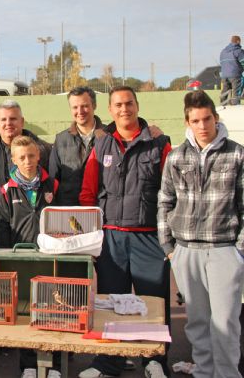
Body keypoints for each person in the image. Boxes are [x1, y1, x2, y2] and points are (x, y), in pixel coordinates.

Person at [78, 86, 171, 378]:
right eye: (117, 105)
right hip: (111, 238)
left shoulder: (159, 143)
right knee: (110, 302)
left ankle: (154, 361)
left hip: (149, 237)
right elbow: (88, 193)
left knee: (153, 302)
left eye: (129, 103)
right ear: (110, 110)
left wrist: (168, 239)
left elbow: (171, 193)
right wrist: (93, 238)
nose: (124, 109)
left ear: (137, 105)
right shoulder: (101, 144)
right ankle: (108, 363)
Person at [158, 90, 244, 378]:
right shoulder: (176, 157)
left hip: (224, 249)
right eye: (196, 120)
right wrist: (169, 247)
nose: (203, 125)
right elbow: (165, 201)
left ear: (216, 118)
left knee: (226, 322)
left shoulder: (237, 154)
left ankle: (227, 374)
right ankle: (204, 373)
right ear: (188, 122)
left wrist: (239, 250)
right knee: (197, 322)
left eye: (207, 119)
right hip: (186, 251)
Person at [0, 135, 61, 376]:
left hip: (49, 257)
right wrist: (5, 258)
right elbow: (3, 227)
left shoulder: (52, 185)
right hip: (21, 260)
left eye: (31, 156)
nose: (27, 161)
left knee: (53, 310)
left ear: (39, 156)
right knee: (25, 312)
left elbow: (62, 219)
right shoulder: (6, 190)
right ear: (14, 160)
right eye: (22, 157)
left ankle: (54, 364)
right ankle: (28, 365)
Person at [0, 100, 52, 185]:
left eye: (13, 119)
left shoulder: (45, 149)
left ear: (22, 122)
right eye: (3, 119)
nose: (8, 123)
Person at [219, 35, 244, 106]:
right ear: (238, 41)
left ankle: (222, 106)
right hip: (236, 76)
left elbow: (222, 63)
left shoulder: (223, 52)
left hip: (224, 76)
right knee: (236, 92)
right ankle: (235, 106)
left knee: (224, 92)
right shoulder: (239, 51)